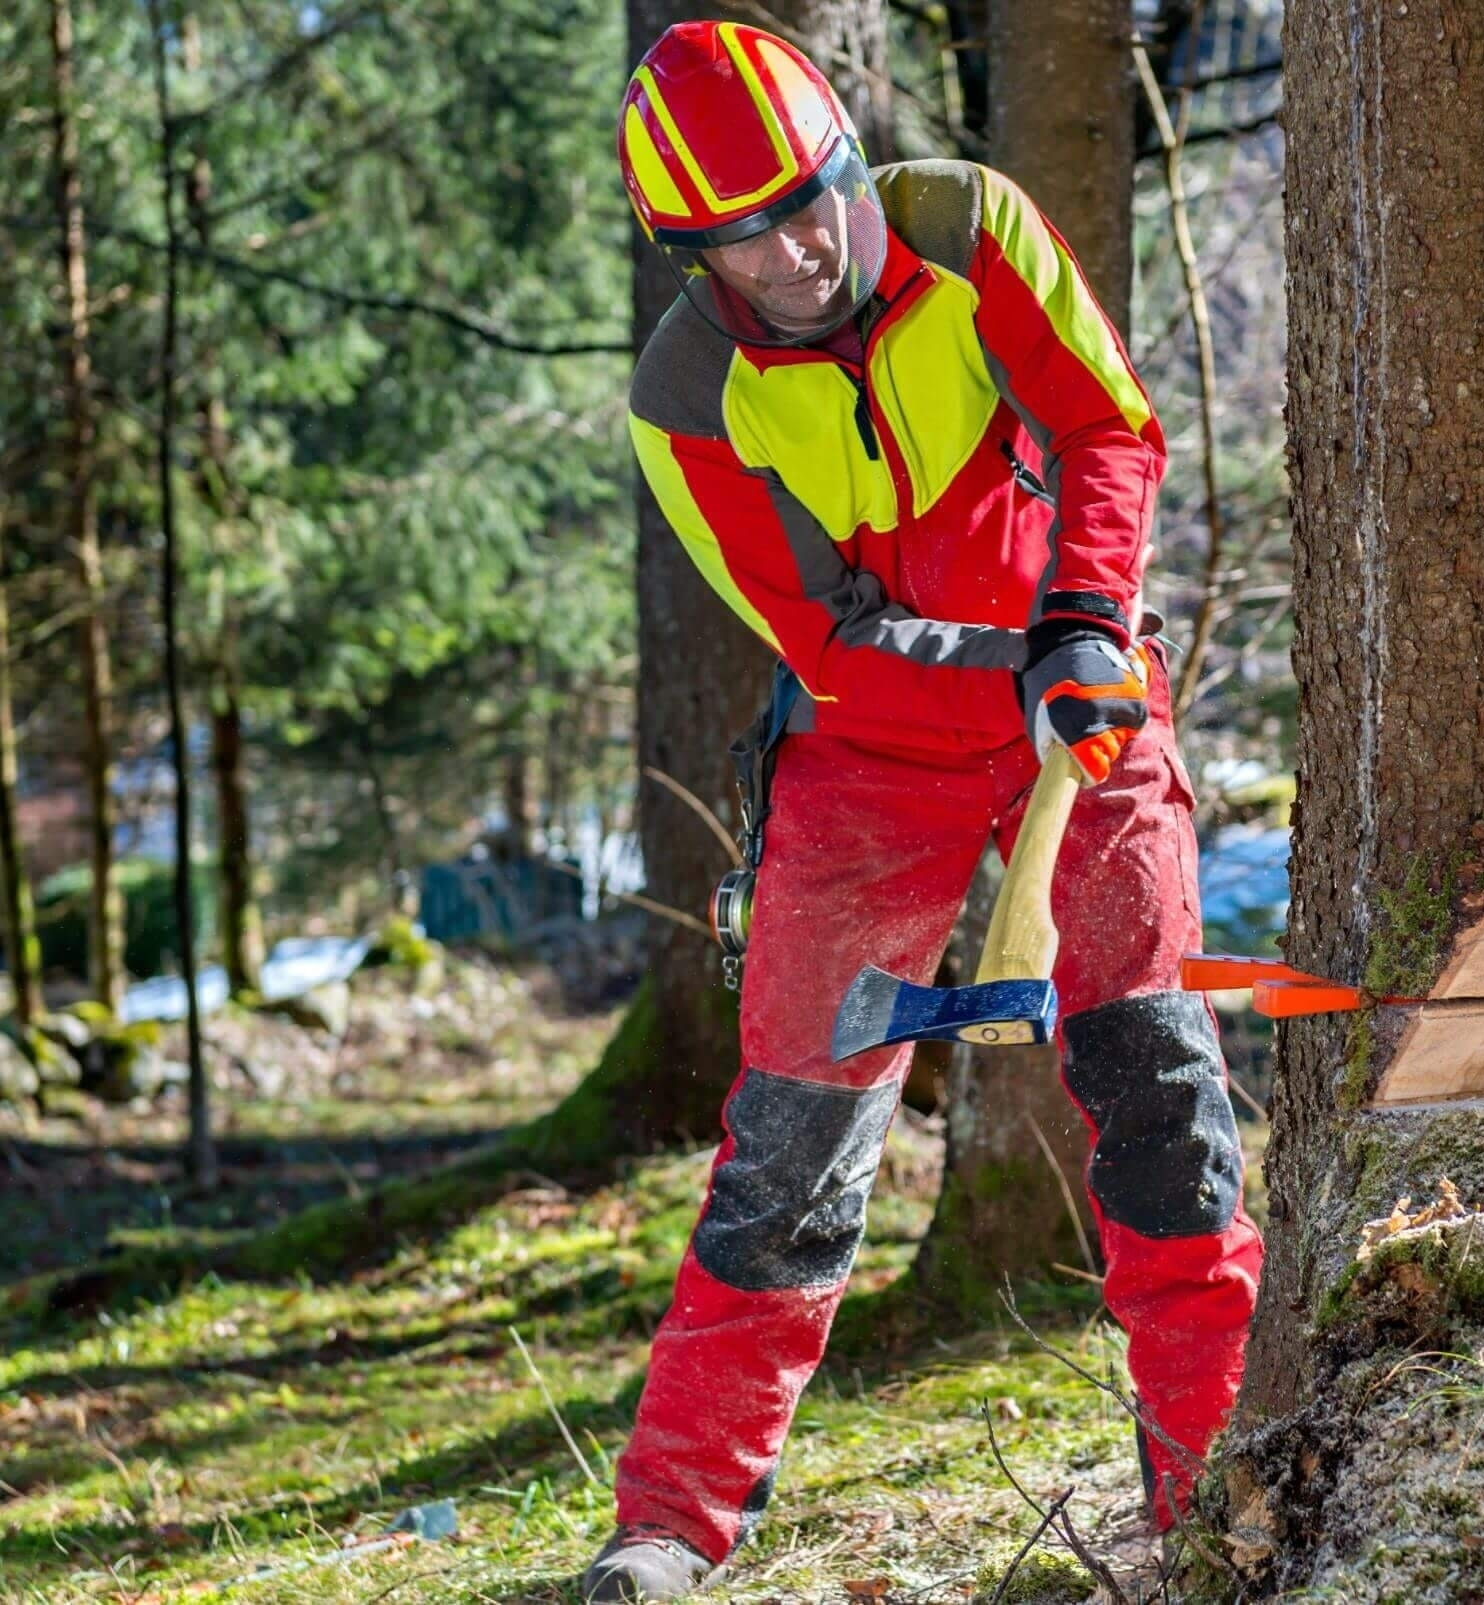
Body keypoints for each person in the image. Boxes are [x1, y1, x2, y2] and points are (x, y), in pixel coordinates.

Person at [583, 21, 1261, 1600]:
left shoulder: (969, 227)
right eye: (744, 240)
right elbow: (823, 636)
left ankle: (1214, 1478)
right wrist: (1002, 677)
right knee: (793, 1144)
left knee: (1161, 1098)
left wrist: (1083, 634)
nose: (799, 249)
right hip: (868, 748)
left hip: (1083, 709)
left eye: (810, 199)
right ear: (695, 257)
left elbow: (1108, 426)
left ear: (844, 154)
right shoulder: (686, 395)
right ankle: (671, 1521)